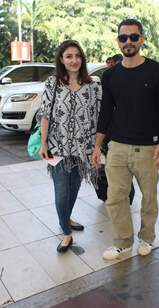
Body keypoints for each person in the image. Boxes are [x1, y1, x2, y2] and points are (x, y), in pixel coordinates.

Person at [92, 18, 159, 260]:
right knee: (115, 197)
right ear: (118, 41)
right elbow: (106, 112)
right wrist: (98, 146)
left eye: (133, 37)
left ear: (142, 39)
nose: (128, 42)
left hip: (148, 148)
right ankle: (123, 242)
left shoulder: (157, 70)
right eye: (123, 37)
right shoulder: (110, 75)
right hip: (116, 146)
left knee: (149, 198)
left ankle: (147, 238)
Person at [38, 40, 101, 253]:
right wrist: (44, 142)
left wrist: (98, 147)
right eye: (69, 56)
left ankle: (66, 217)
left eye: (77, 56)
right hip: (58, 148)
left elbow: (100, 117)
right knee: (61, 192)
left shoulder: (93, 85)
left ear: (82, 59)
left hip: (83, 149)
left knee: (73, 190)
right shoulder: (52, 83)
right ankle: (66, 233)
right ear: (61, 60)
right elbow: (45, 115)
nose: (74, 60)